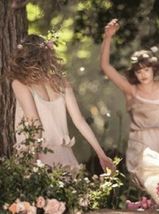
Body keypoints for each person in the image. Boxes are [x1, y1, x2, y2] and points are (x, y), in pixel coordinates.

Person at [100, 19, 159, 200]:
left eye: (146, 70)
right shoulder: (132, 90)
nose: (143, 74)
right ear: (134, 74)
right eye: (138, 71)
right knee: (144, 189)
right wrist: (107, 37)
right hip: (141, 143)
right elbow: (106, 68)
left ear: (154, 69)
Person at [8, 34, 115, 172]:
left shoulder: (20, 83)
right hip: (64, 157)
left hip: (38, 154)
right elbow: (79, 121)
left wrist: (32, 163)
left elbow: (35, 123)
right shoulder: (62, 82)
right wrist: (101, 154)